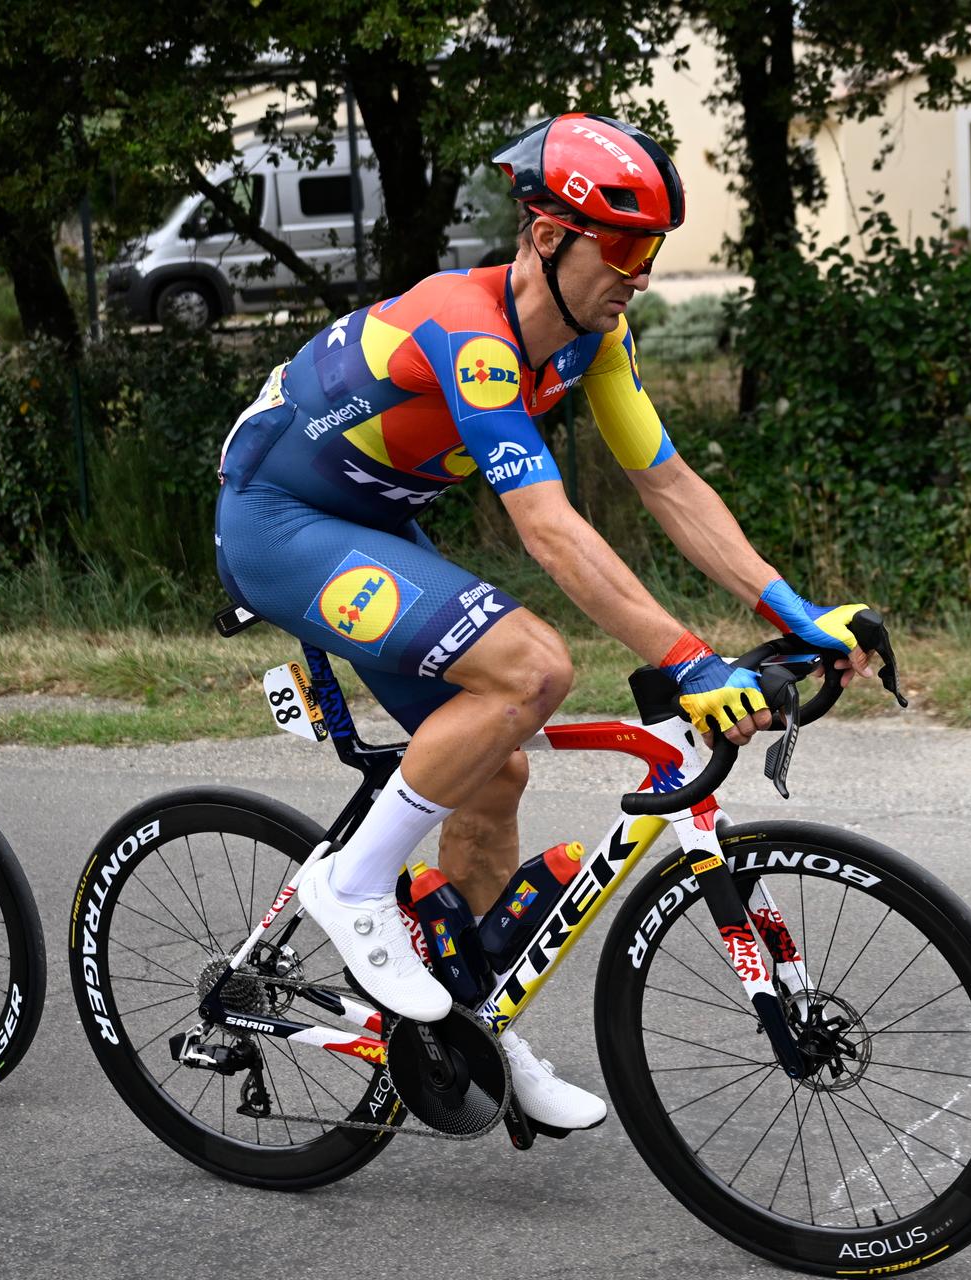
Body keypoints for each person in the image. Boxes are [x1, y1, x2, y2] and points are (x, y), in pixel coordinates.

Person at [214, 114, 876, 1130]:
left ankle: (468, 1026)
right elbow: (551, 531)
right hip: (277, 521)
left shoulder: (595, 340)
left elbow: (666, 479)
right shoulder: (468, 330)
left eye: (652, 250)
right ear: (545, 235)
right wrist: (690, 661)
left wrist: (791, 607)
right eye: (622, 248)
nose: (640, 275)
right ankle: (353, 885)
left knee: (495, 769)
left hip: (369, 519)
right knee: (533, 667)